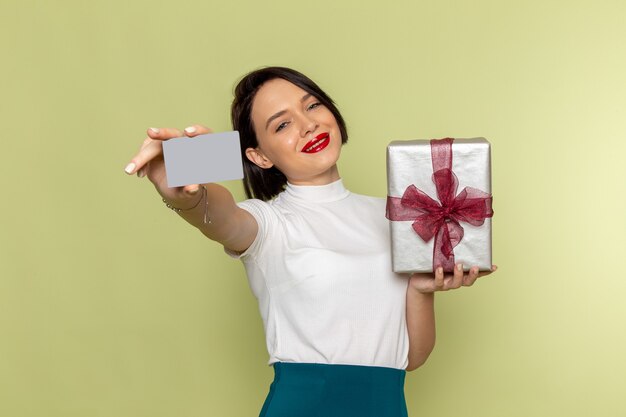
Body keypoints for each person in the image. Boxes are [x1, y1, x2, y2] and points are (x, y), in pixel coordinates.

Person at [124, 66, 496, 417]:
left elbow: (409, 358)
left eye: (313, 105)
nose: (308, 124)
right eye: (282, 124)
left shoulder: (396, 215)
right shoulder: (268, 221)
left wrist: (420, 289)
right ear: (259, 156)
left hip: (387, 403)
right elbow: (217, 213)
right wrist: (183, 192)